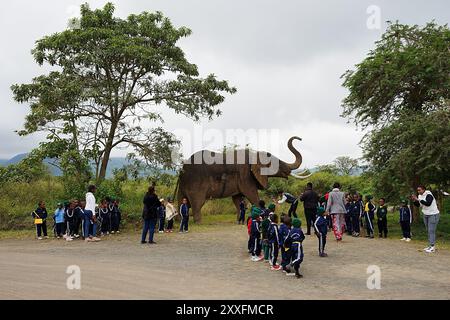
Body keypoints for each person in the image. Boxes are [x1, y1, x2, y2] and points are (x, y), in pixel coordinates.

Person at [411, 186, 440, 253]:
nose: (418, 191)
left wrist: (418, 199)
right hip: (425, 214)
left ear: (424, 190)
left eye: (419, 190)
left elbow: (428, 203)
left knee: (431, 231)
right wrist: (414, 200)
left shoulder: (429, 195)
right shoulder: (420, 196)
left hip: (433, 214)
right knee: (428, 230)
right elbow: (419, 205)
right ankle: (430, 246)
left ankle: (432, 247)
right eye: (417, 190)